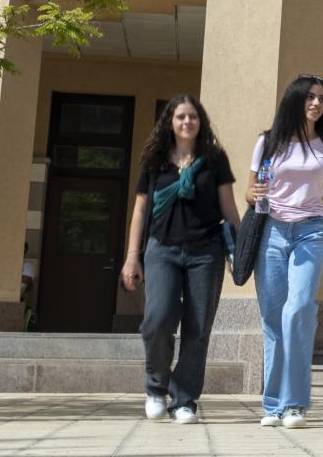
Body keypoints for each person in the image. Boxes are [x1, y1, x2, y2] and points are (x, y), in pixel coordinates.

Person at [247, 74, 323, 429]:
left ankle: (295, 403)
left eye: (322, 100)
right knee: (272, 318)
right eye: (311, 97)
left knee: (297, 311)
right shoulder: (268, 142)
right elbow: (251, 190)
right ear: (295, 101)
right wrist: (252, 194)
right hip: (272, 233)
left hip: (311, 233)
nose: (317, 104)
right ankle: (273, 405)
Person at [120, 94, 241, 424]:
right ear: (170, 123)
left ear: (200, 121)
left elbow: (229, 209)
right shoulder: (155, 162)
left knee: (198, 327)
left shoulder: (214, 160)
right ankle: (156, 387)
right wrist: (133, 257)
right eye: (180, 117)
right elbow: (140, 211)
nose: (187, 122)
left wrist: (238, 252)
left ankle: (184, 398)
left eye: (193, 116)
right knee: (157, 318)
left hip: (206, 252)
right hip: (161, 249)